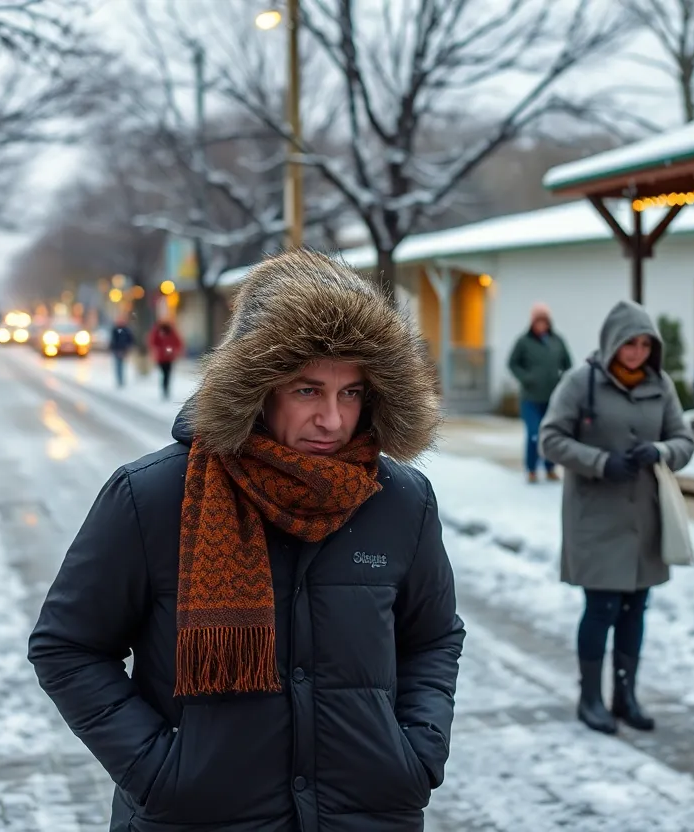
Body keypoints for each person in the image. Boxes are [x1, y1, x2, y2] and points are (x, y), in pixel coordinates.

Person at [29, 249, 464, 832]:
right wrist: (161, 773)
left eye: (352, 393)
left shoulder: (401, 500)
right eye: (308, 390)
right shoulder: (154, 496)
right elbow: (68, 647)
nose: (333, 420)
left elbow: (433, 636)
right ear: (258, 387)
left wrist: (415, 754)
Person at [540, 300, 694, 735]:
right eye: (630, 343)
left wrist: (660, 451)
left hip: (644, 517)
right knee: (602, 605)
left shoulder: (660, 385)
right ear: (613, 342)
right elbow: (550, 439)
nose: (637, 352)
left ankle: (625, 695)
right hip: (596, 516)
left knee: (635, 608)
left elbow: (684, 439)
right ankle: (590, 697)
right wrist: (600, 461)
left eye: (645, 344)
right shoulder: (580, 382)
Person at [507, 302, 572, 482]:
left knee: (550, 434)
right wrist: (526, 377)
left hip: (552, 398)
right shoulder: (523, 342)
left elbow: (568, 364)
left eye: (544, 321)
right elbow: (512, 363)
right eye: (538, 321)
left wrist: (560, 380)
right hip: (531, 397)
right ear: (533, 322)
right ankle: (531, 469)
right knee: (534, 433)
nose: (541, 325)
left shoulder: (557, 341)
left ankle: (551, 468)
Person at [147, 319, 184, 400]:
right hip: (162, 357)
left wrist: (176, 350)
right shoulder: (157, 331)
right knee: (165, 373)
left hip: (169, 357)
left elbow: (178, 342)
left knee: (167, 374)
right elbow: (153, 342)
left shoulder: (171, 331)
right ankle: (165, 388)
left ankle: (165, 389)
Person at [110, 317, 136, 388]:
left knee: (122, 365)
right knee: (118, 366)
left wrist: (128, 347)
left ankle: (122, 380)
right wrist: (114, 348)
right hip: (117, 350)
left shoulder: (126, 330)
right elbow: (113, 340)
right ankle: (119, 380)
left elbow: (130, 339)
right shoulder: (115, 330)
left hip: (124, 350)